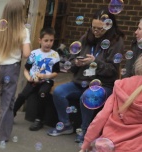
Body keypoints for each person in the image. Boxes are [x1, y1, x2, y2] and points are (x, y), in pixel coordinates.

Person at [48, 9, 124, 143]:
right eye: (94, 28)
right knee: (59, 92)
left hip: (103, 85)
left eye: (100, 29)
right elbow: (71, 60)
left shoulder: (116, 42)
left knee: (87, 96)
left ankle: (85, 131)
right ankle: (65, 124)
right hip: (81, 81)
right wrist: (76, 63)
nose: (96, 32)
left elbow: (112, 70)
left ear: (109, 26)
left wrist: (95, 62)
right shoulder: (86, 37)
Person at [0, 0, 31, 143]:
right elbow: (26, 53)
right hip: (11, 69)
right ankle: (1, 135)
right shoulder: (23, 31)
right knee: (7, 103)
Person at [13, 27, 60, 131]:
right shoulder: (34, 54)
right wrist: (29, 78)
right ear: (40, 40)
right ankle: (12, 113)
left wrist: (46, 76)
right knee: (23, 95)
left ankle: (39, 120)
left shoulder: (55, 55)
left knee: (42, 94)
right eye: (46, 40)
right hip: (33, 80)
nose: (48, 43)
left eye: (51, 40)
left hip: (47, 81)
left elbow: (56, 72)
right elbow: (26, 69)